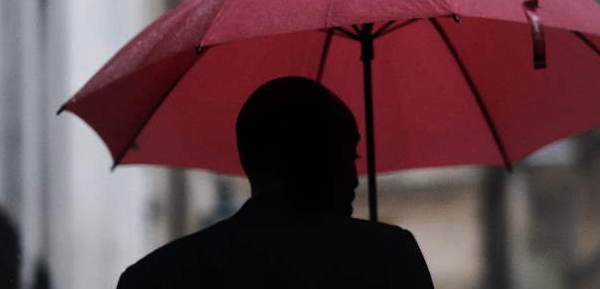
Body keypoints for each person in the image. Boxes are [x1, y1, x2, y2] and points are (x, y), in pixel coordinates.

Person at [116, 76, 434, 288]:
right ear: (308, 156)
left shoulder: (155, 276)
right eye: (346, 156)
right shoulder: (387, 256)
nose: (354, 178)